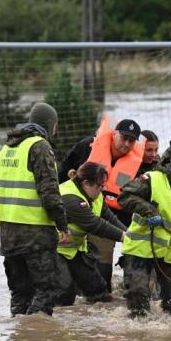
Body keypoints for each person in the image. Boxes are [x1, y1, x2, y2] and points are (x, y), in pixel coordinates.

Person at [0, 102, 69, 317]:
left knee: (20, 292)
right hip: (35, 234)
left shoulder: (7, 148)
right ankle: (35, 338)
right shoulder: (40, 146)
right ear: (50, 124)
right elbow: (49, 192)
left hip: (8, 233)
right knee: (49, 288)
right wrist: (62, 225)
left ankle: (19, 340)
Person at [58, 116, 144, 293]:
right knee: (66, 289)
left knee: (100, 281)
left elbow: (109, 214)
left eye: (131, 141)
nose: (127, 144)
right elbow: (62, 172)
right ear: (114, 135)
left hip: (107, 219)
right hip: (74, 217)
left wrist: (128, 232)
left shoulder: (137, 164)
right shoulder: (87, 146)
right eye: (124, 138)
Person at [117, 143, 171, 317]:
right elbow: (125, 196)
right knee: (138, 299)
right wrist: (149, 211)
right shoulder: (153, 179)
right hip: (140, 249)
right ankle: (140, 340)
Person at [55, 162, 127, 306]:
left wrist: (127, 232)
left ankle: (92, 321)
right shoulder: (69, 197)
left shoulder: (96, 195)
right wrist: (123, 237)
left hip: (75, 250)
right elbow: (95, 224)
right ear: (86, 183)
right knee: (65, 294)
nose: (101, 190)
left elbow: (108, 216)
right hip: (55, 250)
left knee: (98, 291)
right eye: (99, 186)